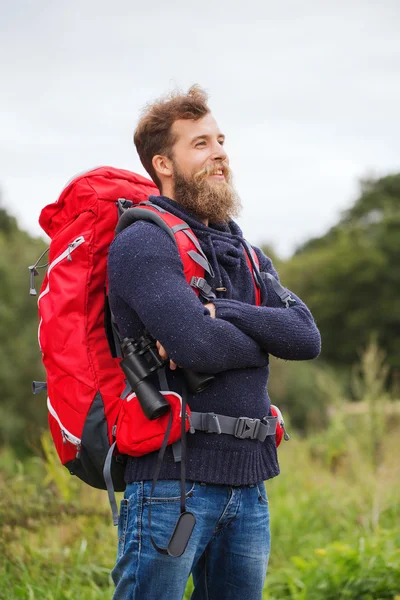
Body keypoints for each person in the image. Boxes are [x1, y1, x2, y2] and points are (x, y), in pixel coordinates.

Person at [107, 85, 321, 600]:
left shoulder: (245, 250)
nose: (220, 152)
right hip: (169, 487)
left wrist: (225, 311)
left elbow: (307, 337)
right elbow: (200, 347)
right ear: (164, 163)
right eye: (200, 144)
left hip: (249, 486)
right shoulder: (143, 241)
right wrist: (265, 333)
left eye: (221, 140)